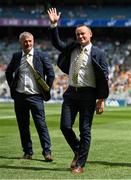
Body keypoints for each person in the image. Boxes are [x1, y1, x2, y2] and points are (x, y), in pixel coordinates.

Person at [47, 8, 109, 173]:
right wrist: (54, 25)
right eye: (78, 34)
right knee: (65, 126)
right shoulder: (72, 47)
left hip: (88, 94)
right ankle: (78, 150)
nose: (80, 37)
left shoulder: (99, 53)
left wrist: (101, 100)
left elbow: (104, 77)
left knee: (85, 129)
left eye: (83, 34)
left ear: (90, 35)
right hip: (71, 93)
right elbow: (57, 44)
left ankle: (80, 164)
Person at [5, 32, 55, 161]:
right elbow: (8, 72)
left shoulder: (41, 56)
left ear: (33, 41)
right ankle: (27, 152)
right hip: (20, 97)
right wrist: (13, 87)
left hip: (36, 97)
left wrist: (45, 90)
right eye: (25, 41)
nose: (27, 43)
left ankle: (47, 152)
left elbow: (51, 74)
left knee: (41, 125)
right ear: (20, 42)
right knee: (23, 126)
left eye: (30, 41)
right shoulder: (16, 56)